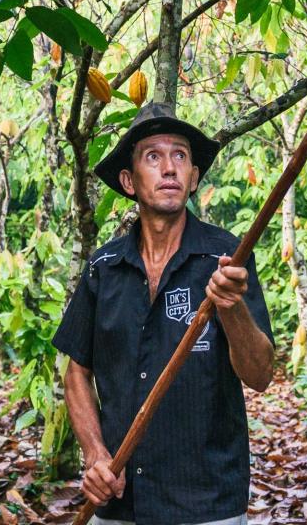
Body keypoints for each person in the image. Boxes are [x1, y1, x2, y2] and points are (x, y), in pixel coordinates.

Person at [52, 102, 276, 525]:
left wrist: (231, 310)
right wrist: (96, 455)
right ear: (128, 180)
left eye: (180, 156)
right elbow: (76, 370)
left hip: (206, 503)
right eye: (153, 156)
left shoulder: (226, 256)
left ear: (193, 179)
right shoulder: (104, 268)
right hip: (120, 503)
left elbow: (260, 374)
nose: (169, 168)